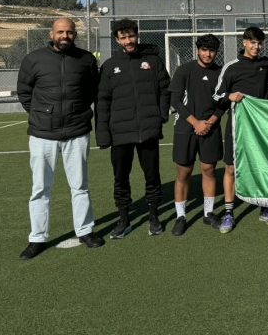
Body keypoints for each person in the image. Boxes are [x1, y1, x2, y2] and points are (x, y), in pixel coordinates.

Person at [16, 18, 104, 260]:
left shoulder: (86, 59)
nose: (65, 36)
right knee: (40, 188)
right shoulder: (33, 59)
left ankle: (85, 231)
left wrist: (77, 112)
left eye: (70, 32)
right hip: (42, 135)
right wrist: (43, 114)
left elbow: (92, 91)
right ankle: (37, 238)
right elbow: (24, 92)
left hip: (77, 132)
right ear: (52, 34)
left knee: (80, 186)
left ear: (75, 34)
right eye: (61, 32)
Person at [96, 18, 171, 238]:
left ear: (137, 36)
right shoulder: (109, 66)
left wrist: (161, 115)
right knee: (121, 179)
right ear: (117, 40)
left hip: (148, 131)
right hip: (120, 134)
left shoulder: (153, 61)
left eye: (131, 36)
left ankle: (154, 217)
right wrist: (103, 134)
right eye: (123, 37)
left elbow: (165, 89)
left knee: (152, 176)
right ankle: (124, 219)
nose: (128, 41)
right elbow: (102, 101)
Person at [213, 26, 268, 230]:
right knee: (231, 168)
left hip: (261, 128)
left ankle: (266, 207)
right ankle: (229, 213)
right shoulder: (231, 67)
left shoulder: (266, 64)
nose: (256, 47)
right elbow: (216, 95)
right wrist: (230, 96)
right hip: (237, 126)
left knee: (263, 167)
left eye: (259, 44)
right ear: (244, 42)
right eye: (253, 43)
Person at [168, 34, 226, 236]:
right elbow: (175, 101)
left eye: (212, 50)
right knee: (183, 172)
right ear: (197, 50)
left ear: (216, 52)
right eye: (204, 50)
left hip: (210, 128)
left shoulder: (220, 73)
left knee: (209, 169)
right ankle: (181, 216)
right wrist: (196, 123)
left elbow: (223, 103)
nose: (208, 54)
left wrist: (210, 122)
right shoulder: (184, 70)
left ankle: (208, 213)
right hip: (186, 128)